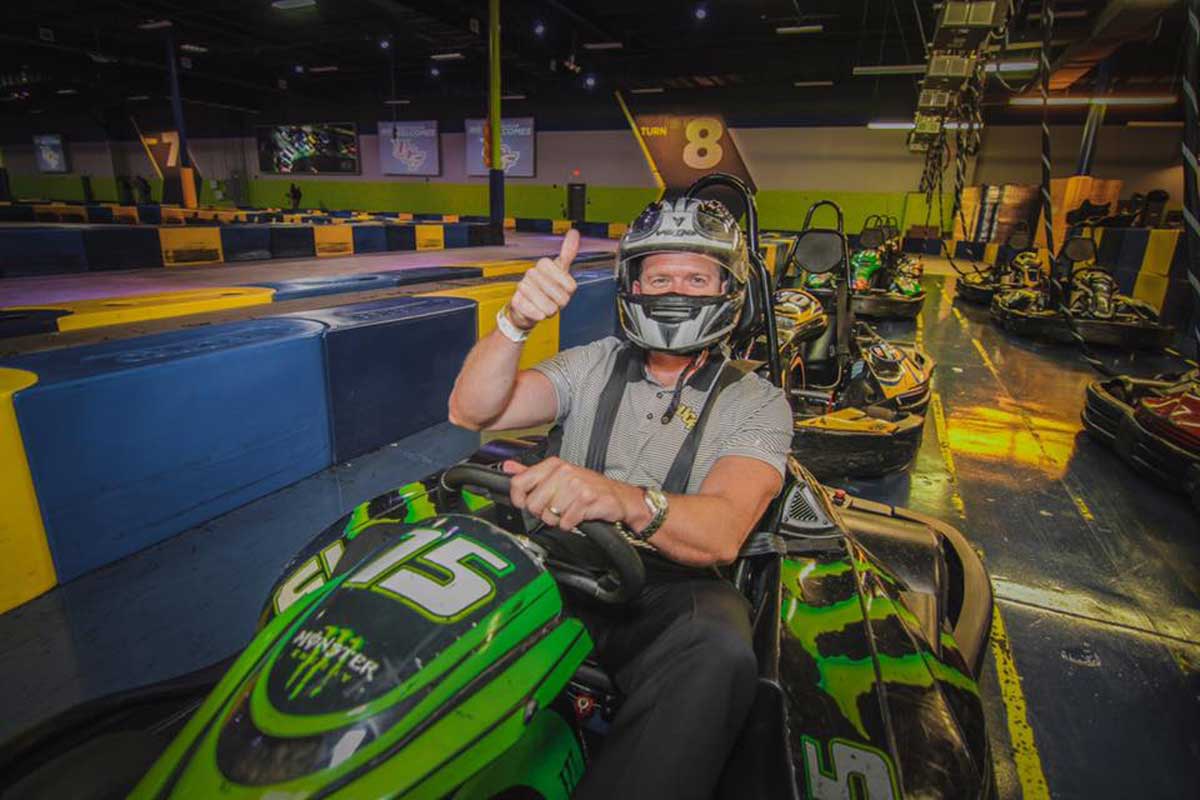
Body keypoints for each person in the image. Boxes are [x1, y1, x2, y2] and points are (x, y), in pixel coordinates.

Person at [448, 198, 792, 799]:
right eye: (659, 276)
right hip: (558, 559)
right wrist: (513, 323)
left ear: (727, 288)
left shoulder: (757, 402)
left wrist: (621, 498)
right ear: (633, 284)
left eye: (695, 278)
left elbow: (722, 531)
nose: (675, 290)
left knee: (720, 649)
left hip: (668, 588)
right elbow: (471, 410)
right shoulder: (593, 363)